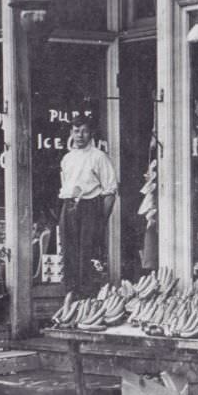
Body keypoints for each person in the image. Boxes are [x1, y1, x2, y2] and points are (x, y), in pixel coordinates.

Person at [58, 114, 117, 298]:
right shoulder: (67, 159)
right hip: (69, 207)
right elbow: (66, 186)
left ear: (91, 133)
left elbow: (110, 192)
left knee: (87, 253)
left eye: (84, 131)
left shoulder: (99, 157)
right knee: (69, 253)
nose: (80, 135)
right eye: (76, 131)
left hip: (90, 207)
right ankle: (71, 296)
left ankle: (87, 297)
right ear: (71, 133)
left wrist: (101, 219)